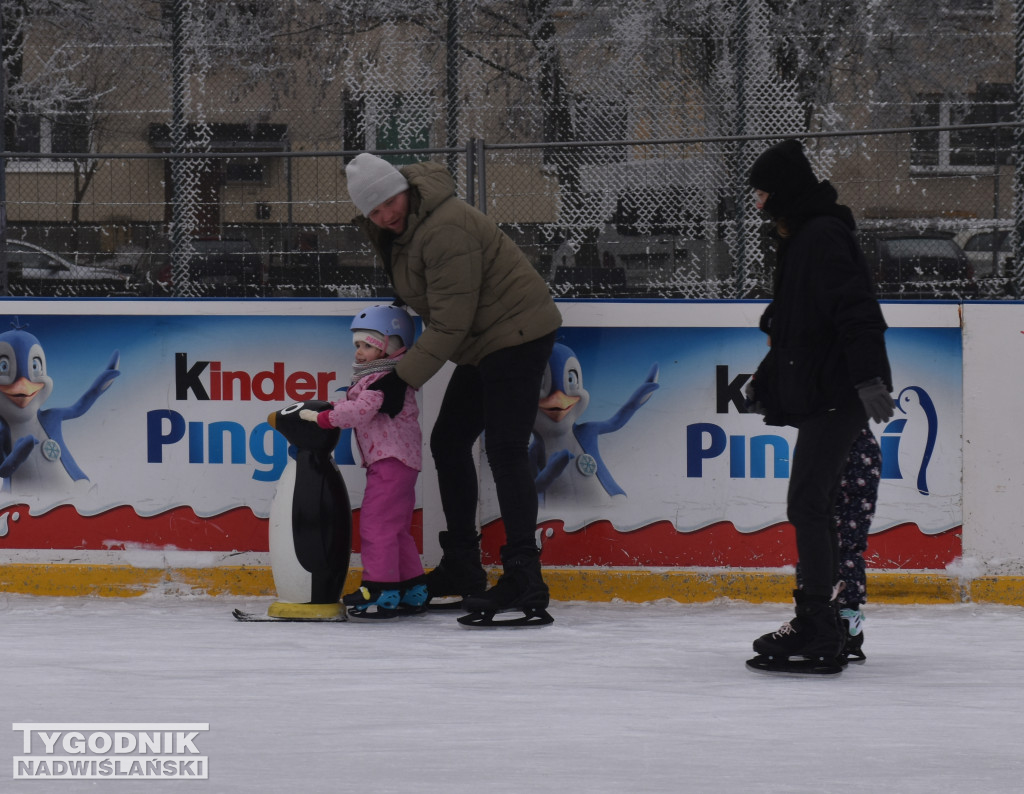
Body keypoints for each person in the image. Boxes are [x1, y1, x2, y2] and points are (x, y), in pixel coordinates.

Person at [344, 152, 563, 626]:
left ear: (404, 187)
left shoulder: (445, 227)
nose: (386, 215)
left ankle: (525, 575)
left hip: (516, 334)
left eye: (390, 202)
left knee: (505, 449)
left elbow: (449, 321)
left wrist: (401, 378)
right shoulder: (400, 229)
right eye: (374, 210)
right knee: (449, 441)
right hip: (481, 341)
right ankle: (464, 565)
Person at [743, 138, 894, 674]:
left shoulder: (822, 235)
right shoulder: (803, 238)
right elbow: (794, 330)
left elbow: (857, 310)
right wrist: (764, 380)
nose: (757, 203)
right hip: (830, 392)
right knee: (817, 505)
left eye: (762, 192)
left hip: (841, 395)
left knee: (808, 503)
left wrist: (870, 378)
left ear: (783, 192)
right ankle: (827, 619)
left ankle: (818, 624)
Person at [300, 304, 425, 620]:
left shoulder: (381, 379)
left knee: (377, 526)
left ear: (390, 345)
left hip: (389, 460)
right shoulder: (381, 377)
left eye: (368, 345)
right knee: (396, 529)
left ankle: (381, 589)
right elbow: (356, 402)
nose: (359, 351)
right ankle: (412, 588)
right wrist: (334, 405)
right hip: (400, 462)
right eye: (357, 345)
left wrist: (324, 417)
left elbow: (359, 411)